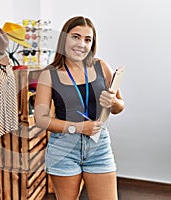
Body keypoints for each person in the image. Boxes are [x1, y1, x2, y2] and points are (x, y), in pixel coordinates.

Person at [34, 16, 124, 200]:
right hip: (63, 148)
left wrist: (113, 102)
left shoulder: (101, 67)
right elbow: (41, 119)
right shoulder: (49, 74)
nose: (81, 44)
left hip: (99, 147)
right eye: (75, 37)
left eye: (87, 39)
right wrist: (80, 127)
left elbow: (119, 106)